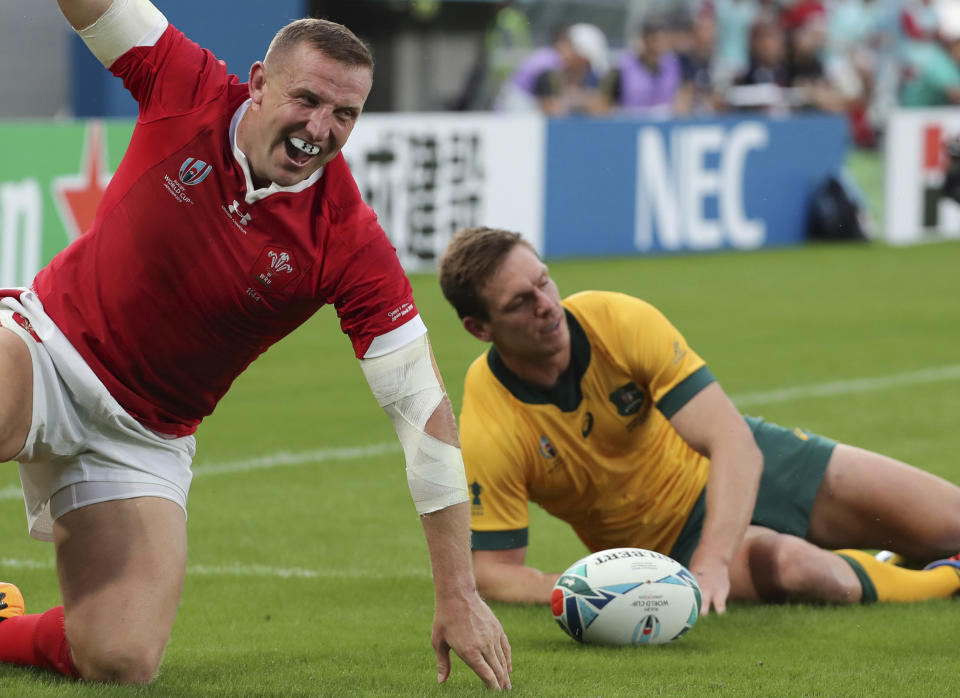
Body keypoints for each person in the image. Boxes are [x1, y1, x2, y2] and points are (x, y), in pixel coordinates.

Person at [0, 0, 511, 688]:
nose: (319, 129)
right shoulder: (186, 86)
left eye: (345, 114)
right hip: (46, 349)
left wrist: (458, 593)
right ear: (258, 83)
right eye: (307, 98)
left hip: (144, 436)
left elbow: (422, 415)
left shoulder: (348, 238)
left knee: (120, 655)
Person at [436, 226, 960, 612]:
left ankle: (896, 558)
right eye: (520, 303)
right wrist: (589, 589)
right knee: (816, 576)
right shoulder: (490, 424)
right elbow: (494, 572)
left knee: (952, 520)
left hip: (752, 460)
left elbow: (733, 440)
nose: (547, 306)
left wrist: (713, 562)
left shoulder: (615, 319)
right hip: (670, 543)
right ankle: (944, 579)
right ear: (479, 328)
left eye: (544, 283)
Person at [493, 23, 609, 116]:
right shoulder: (546, 67)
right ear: (577, 54)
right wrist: (583, 101)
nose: (586, 69)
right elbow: (553, 110)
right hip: (513, 123)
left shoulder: (555, 61)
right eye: (586, 63)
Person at [589, 15, 682, 117]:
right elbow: (600, 105)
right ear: (643, 39)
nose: (657, 45)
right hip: (628, 127)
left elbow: (681, 103)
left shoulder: (673, 66)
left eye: (662, 39)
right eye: (653, 39)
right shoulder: (621, 68)